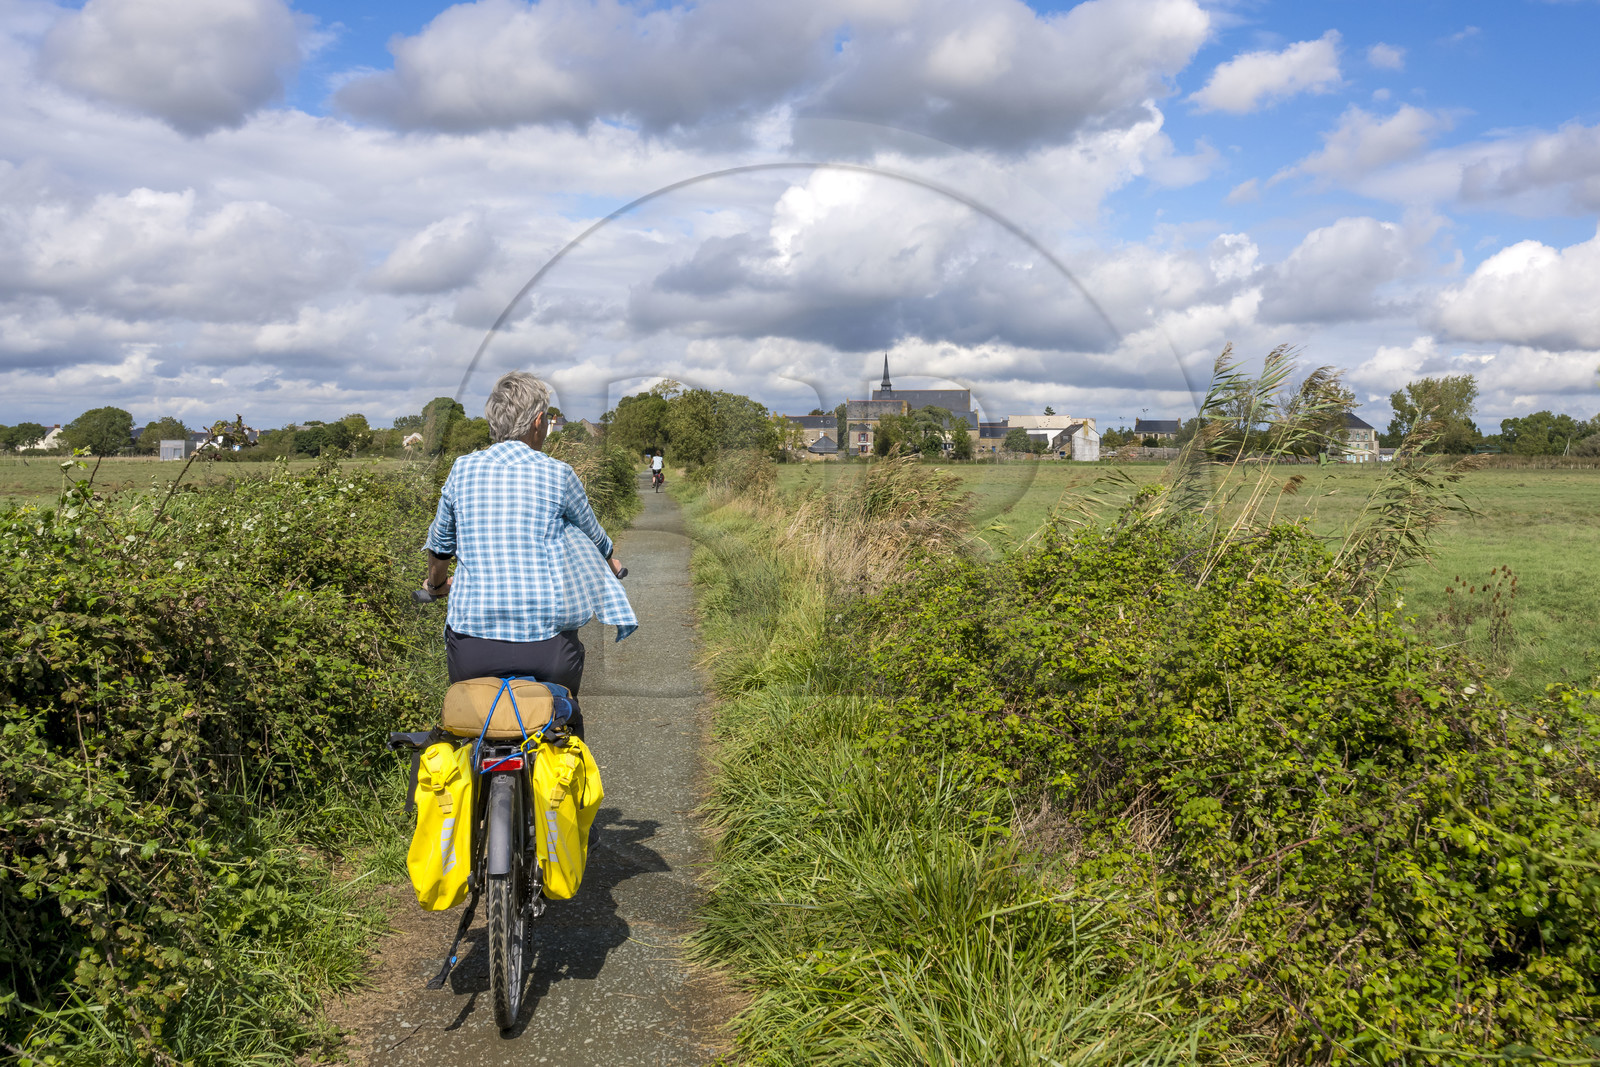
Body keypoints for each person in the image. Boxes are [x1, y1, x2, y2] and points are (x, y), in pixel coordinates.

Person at [423, 372, 636, 739]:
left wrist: (436, 584)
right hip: (548, 647)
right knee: (563, 723)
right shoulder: (558, 473)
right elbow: (593, 534)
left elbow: (441, 546)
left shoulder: (463, 469)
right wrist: (610, 562)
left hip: (474, 645)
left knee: (471, 731)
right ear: (539, 423)